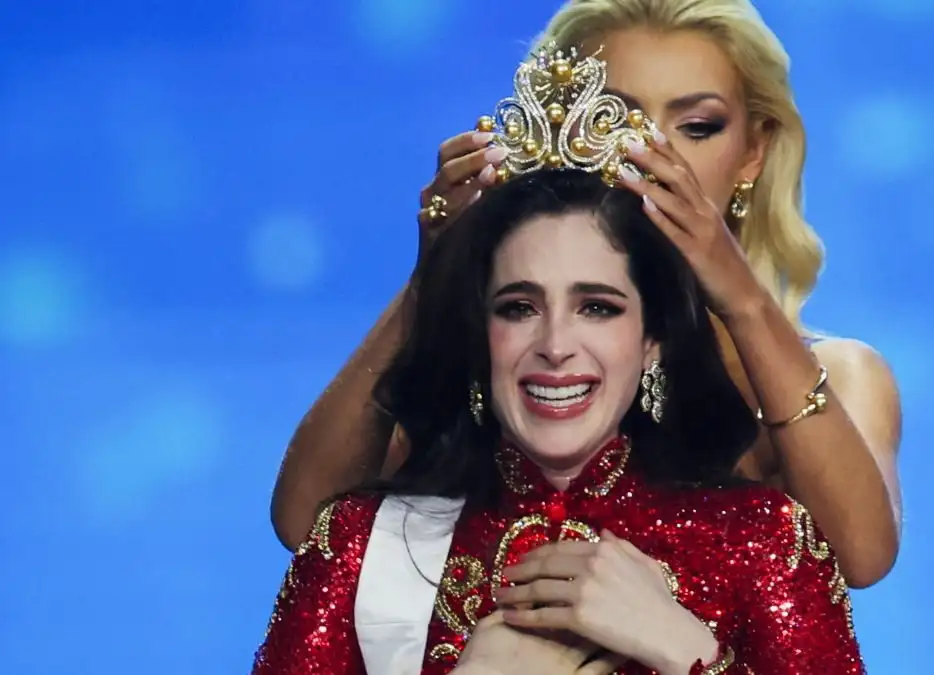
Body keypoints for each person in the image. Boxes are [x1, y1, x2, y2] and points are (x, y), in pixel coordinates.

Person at [252, 55, 863, 671]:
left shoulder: (761, 540)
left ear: (652, 337)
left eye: (597, 307)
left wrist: (687, 652)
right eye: (519, 308)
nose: (555, 344)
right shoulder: (361, 545)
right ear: (479, 332)